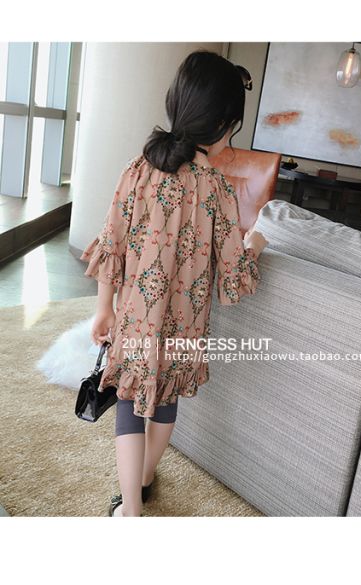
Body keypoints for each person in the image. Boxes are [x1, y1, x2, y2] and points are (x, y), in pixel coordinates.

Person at [80, 50, 268, 517]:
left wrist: (104, 307)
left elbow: (112, 242)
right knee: (164, 404)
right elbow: (234, 271)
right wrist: (256, 244)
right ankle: (144, 479)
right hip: (185, 326)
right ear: (222, 123)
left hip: (136, 320)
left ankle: (131, 510)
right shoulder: (217, 190)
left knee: (129, 401)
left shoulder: (138, 171)